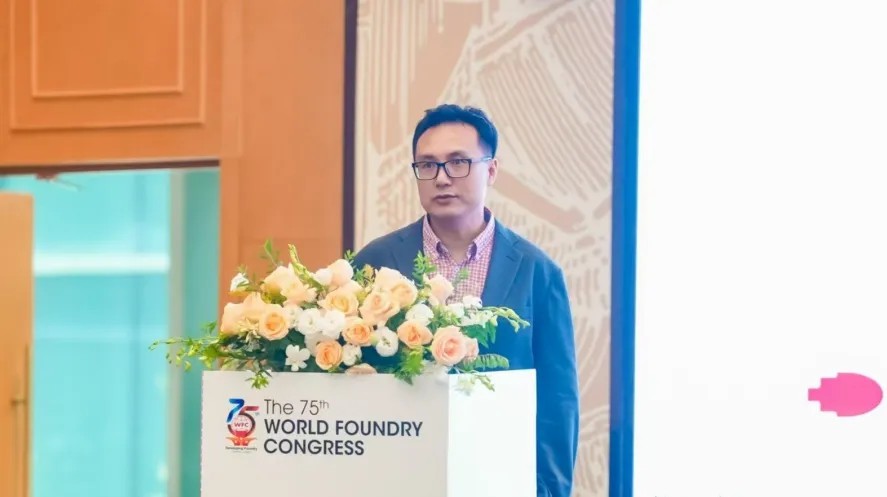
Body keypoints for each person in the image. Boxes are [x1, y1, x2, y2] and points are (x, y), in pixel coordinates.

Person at [352, 104, 580, 497]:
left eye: (458, 162)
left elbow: (558, 401)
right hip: (396, 478)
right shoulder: (377, 261)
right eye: (428, 165)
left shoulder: (537, 271)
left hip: (498, 479)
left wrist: (549, 490)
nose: (442, 178)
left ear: (491, 170)